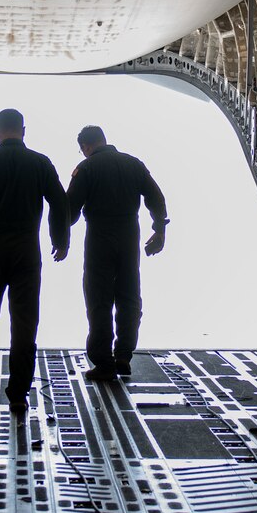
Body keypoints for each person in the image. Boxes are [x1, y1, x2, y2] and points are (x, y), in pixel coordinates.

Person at [0, 108, 70, 413]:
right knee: (25, 322)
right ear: (23, 129)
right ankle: (18, 392)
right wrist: (61, 240)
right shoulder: (40, 162)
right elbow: (60, 203)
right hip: (27, 251)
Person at [64, 125, 168, 388]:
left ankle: (103, 363)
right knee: (129, 296)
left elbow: (70, 210)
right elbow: (156, 197)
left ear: (86, 147)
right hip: (129, 236)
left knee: (98, 299)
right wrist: (159, 230)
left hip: (99, 237)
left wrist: (61, 238)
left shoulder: (86, 168)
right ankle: (123, 356)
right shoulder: (133, 163)